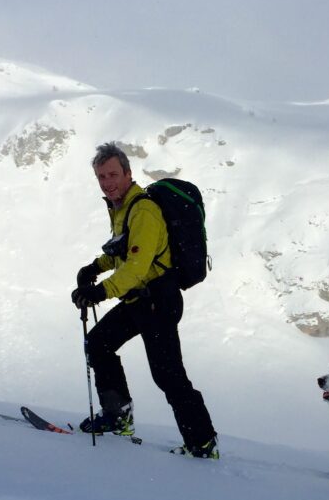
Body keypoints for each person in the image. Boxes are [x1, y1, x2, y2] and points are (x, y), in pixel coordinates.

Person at [71, 142, 219, 459]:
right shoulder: (122, 207)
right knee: (98, 343)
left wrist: (100, 291)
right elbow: (122, 251)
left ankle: (203, 443)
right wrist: (93, 269)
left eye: (112, 174)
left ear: (128, 173)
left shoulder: (144, 211)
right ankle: (117, 417)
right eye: (101, 177)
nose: (107, 182)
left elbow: (137, 267)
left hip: (158, 301)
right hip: (142, 301)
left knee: (168, 375)